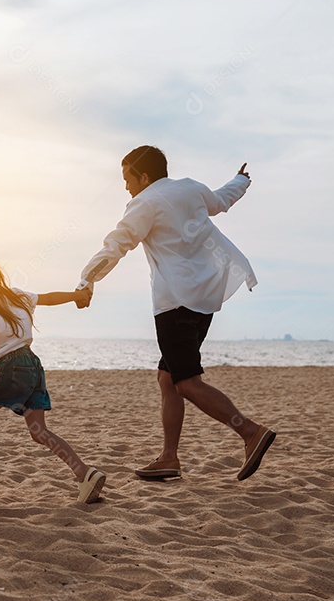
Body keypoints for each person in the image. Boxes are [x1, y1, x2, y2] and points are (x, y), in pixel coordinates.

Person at [77, 145, 275, 481]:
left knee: (186, 382)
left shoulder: (145, 203)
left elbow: (117, 243)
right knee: (167, 378)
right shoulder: (191, 188)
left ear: (143, 175)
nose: (126, 187)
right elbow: (222, 199)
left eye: (127, 179)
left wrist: (87, 279)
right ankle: (169, 457)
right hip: (204, 299)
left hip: (174, 302)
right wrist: (241, 180)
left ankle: (250, 432)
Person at [0, 247, 104, 503]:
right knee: (38, 431)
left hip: (10, 368)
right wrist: (77, 295)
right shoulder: (16, 294)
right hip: (32, 364)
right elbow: (49, 298)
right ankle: (85, 474)